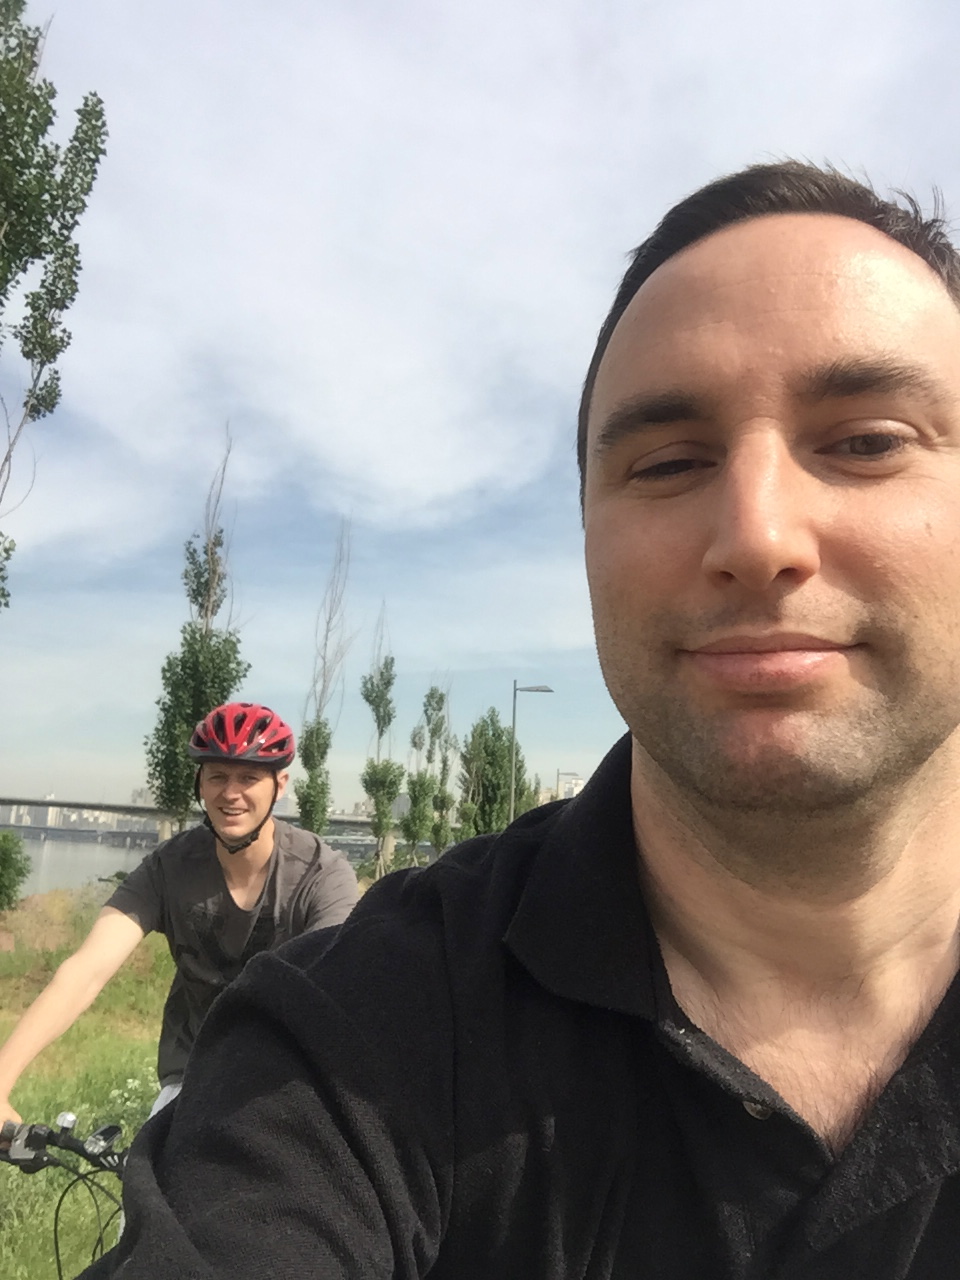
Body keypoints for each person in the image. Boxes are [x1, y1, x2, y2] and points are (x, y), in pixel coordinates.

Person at [82, 162, 960, 1278]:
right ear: (586, 536)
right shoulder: (352, 1039)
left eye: (868, 440)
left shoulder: (315, 883)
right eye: (669, 462)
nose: (758, 534)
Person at [0, 701, 358, 1126]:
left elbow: (338, 989)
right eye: (217, 776)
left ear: (279, 785)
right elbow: (85, 971)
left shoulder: (321, 875)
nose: (231, 793)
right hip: (192, 1075)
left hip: (287, 1082)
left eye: (248, 777)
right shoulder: (169, 868)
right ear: (199, 783)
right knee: (150, 1165)